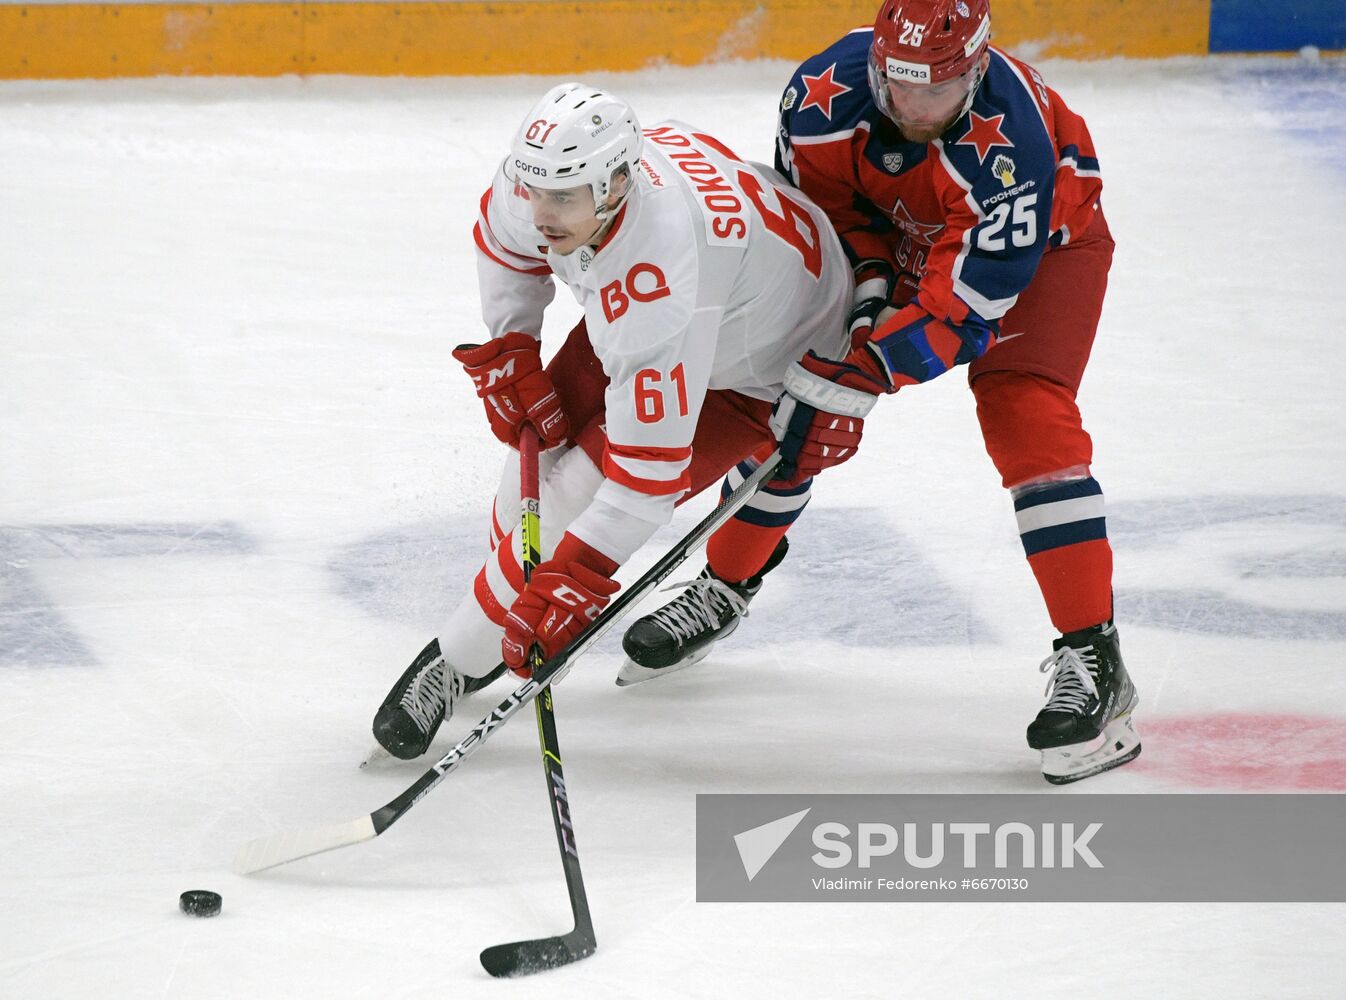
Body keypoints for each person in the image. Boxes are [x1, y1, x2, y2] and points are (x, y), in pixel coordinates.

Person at [622, 0, 1140, 785]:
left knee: (1023, 412)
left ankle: (1095, 660)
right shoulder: (821, 96)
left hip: (1045, 250)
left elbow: (962, 311)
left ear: (976, 71)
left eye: (935, 92)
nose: (912, 109)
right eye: (898, 89)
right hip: (909, 233)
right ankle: (724, 586)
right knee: (792, 393)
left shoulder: (1014, 149)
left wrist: (865, 368)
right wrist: (859, 302)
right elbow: (825, 220)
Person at [369, 82, 852, 759]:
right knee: (531, 485)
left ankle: (449, 661)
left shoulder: (660, 276)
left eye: (562, 198)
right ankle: (487, 628)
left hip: (755, 368)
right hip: (707, 294)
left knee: (570, 497)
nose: (541, 212)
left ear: (620, 182)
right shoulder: (549, 180)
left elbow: (641, 484)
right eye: (534, 189)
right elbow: (504, 243)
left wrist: (576, 577)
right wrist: (513, 342)